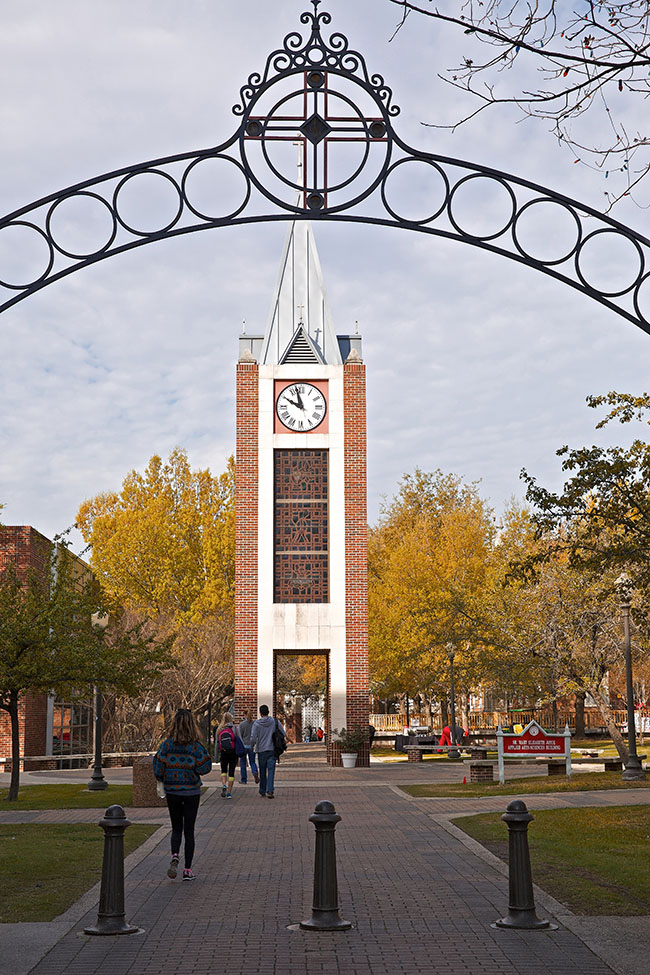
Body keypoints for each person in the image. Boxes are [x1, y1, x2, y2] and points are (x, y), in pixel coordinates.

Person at [153, 707, 212, 882]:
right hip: (192, 791)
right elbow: (205, 767)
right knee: (189, 830)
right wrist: (192, 768)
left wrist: (166, 775)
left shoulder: (167, 745)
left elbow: (157, 766)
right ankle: (187, 869)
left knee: (176, 827)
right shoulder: (196, 747)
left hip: (173, 791)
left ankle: (174, 855)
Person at [250, 704, 285, 799]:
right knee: (271, 770)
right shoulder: (274, 722)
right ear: (268, 712)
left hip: (261, 750)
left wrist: (252, 746)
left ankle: (262, 790)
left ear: (260, 713)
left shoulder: (256, 724)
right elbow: (283, 733)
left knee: (262, 771)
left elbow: (253, 738)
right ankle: (270, 790)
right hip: (272, 749)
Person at [215, 711, 243, 799]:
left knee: (223, 770)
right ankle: (229, 792)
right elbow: (240, 740)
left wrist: (216, 757)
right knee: (231, 772)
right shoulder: (234, 728)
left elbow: (217, 743)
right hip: (233, 753)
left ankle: (224, 784)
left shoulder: (219, 729)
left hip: (223, 753)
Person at [237, 709, 259, 785]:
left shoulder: (242, 725)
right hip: (252, 746)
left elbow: (240, 736)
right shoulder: (255, 724)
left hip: (244, 746)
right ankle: (255, 772)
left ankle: (244, 779)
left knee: (243, 763)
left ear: (245, 715)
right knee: (252, 762)